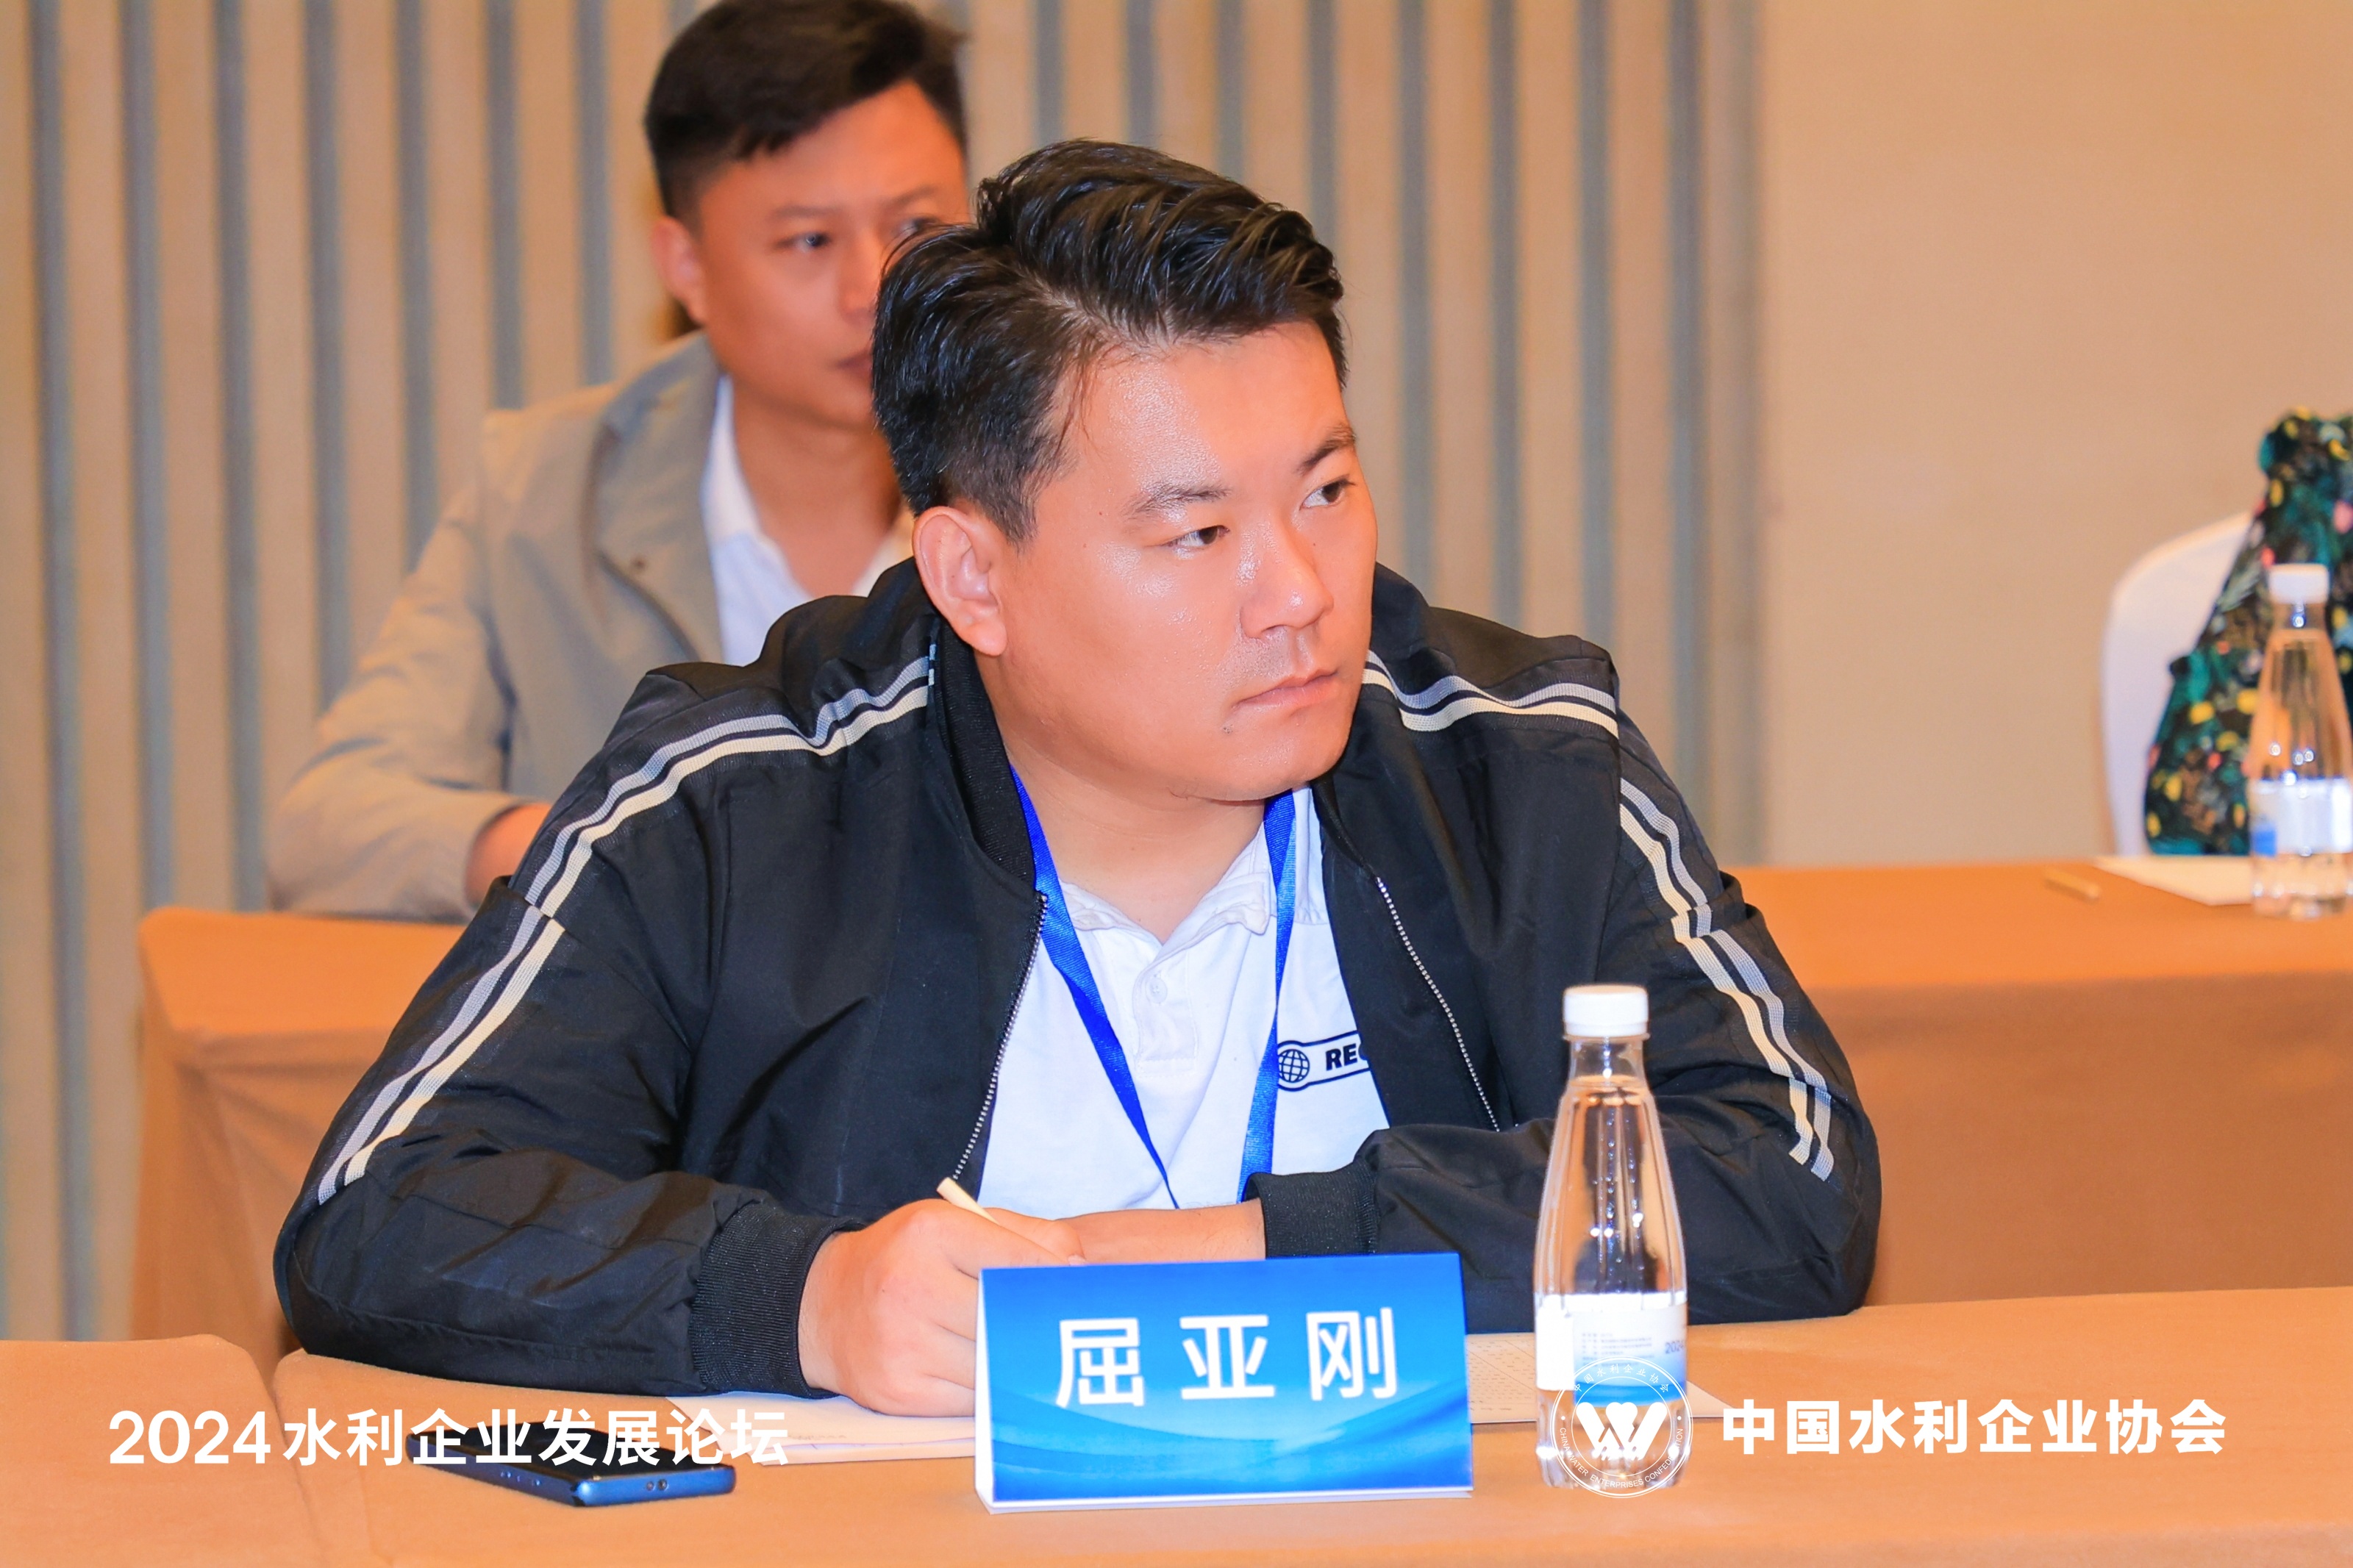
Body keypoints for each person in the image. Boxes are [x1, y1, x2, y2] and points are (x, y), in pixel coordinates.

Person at [277, 142, 1879, 1417]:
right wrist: (808, 1297)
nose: (1298, 592)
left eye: (1326, 489)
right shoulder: (734, 799)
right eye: (1197, 532)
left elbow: (1793, 1169)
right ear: (974, 576)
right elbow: (381, 1206)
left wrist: (1259, 1253)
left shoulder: (1520, 754)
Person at [267, 0, 969, 920]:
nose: (870, 287)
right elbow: (327, 832)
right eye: (809, 240)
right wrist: (590, 844)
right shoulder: (547, 490)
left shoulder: (1049, 476)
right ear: (686, 267)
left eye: (915, 225)